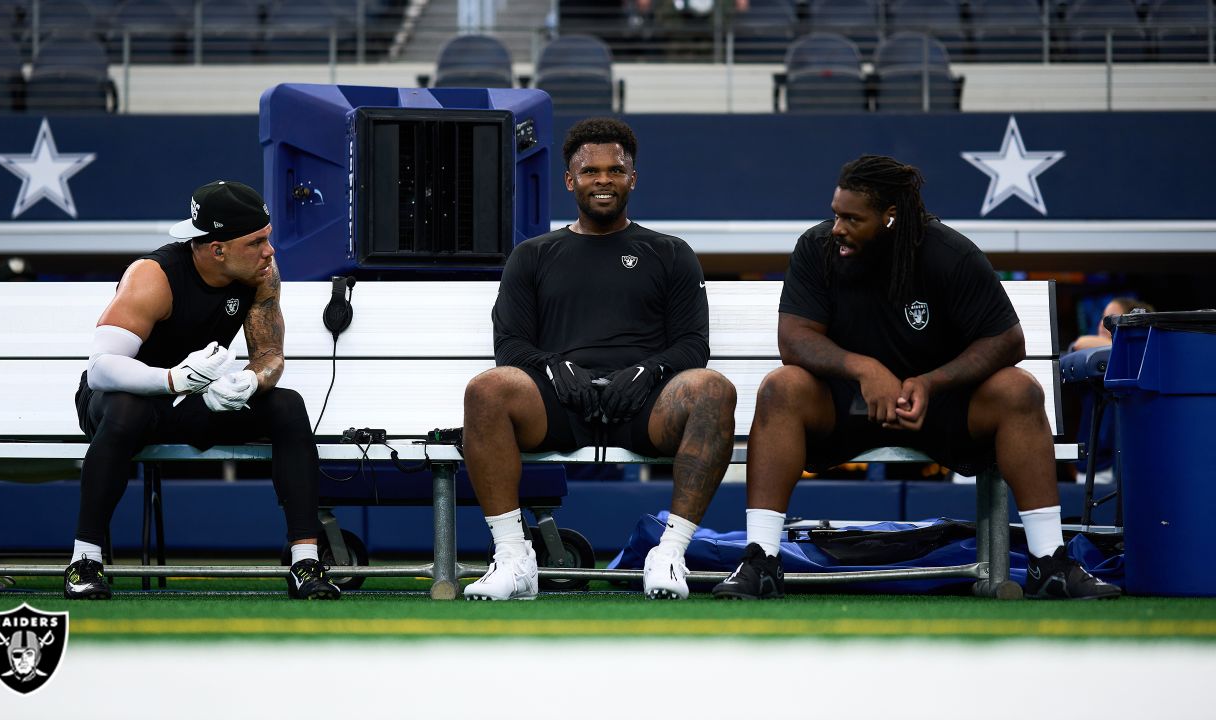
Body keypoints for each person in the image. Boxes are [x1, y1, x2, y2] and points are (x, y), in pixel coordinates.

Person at [713, 155, 1121, 601]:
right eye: (835, 214)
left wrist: (931, 383)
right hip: (846, 405)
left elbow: (1007, 341)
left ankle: (1050, 562)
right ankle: (761, 559)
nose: (837, 228)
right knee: (781, 386)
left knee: (1019, 389)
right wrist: (864, 369)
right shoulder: (818, 248)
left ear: (890, 218)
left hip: (940, 407)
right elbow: (794, 338)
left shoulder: (950, 254)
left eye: (852, 218)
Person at [461, 117, 737, 601]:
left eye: (616, 170)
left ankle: (669, 553)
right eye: (590, 171)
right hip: (560, 403)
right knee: (487, 388)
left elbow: (693, 345)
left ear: (633, 177)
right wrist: (552, 364)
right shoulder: (533, 254)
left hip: (646, 405)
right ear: (570, 181)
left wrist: (651, 369)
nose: (603, 180)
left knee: (714, 389)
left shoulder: (670, 253)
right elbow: (510, 345)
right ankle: (514, 558)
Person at [63, 180, 339, 601]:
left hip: (194, 399)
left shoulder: (261, 273)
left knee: (287, 406)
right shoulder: (153, 276)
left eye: (268, 237)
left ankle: (305, 561)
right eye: (257, 242)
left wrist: (248, 382)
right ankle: (85, 562)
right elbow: (101, 370)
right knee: (125, 412)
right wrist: (172, 379)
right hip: (130, 399)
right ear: (217, 249)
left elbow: (269, 355)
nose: (271, 251)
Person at [1068, 296, 1155, 484]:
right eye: (1103, 318)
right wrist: (1123, 347)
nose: (1102, 324)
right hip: (1096, 467)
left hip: (1130, 463)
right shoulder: (1093, 353)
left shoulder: (1149, 357)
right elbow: (1080, 343)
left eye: (1111, 318)